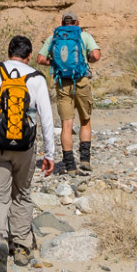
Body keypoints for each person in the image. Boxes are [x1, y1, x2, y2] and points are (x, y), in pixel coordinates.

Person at [0, 35, 55, 272]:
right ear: (29, 56)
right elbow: (47, 118)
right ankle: (21, 248)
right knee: (22, 194)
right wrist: (49, 154)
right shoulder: (37, 78)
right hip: (26, 147)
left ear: (9, 53)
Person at [37, 11, 101, 174]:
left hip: (62, 83)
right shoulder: (83, 36)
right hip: (81, 81)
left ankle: (70, 164)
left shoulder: (55, 38)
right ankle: (85, 159)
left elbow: (40, 59)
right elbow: (96, 55)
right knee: (85, 120)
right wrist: (87, 60)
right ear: (76, 22)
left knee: (66, 124)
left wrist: (56, 64)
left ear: (62, 22)